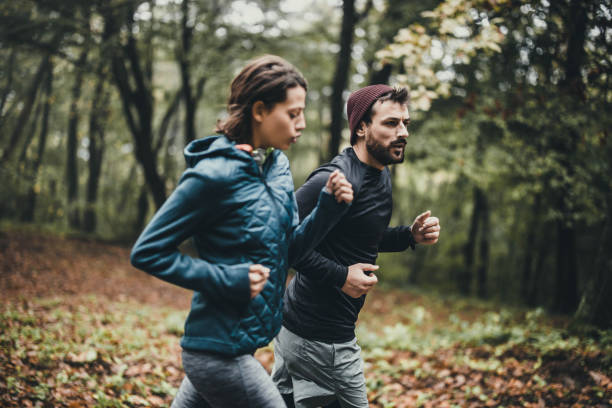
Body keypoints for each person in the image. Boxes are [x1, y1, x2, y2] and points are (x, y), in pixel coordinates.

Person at [130, 55, 354, 408]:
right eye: (293, 114)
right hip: (217, 351)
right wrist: (229, 278)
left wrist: (328, 209)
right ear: (260, 110)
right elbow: (148, 251)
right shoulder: (213, 175)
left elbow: (290, 251)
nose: (303, 123)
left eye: (302, 113)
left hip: (239, 343)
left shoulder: (277, 168)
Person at [272, 84, 441, 408]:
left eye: (405, 123)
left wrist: (409, 236)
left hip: (302, 326)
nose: (403, 132)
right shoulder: (335, 178)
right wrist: (340, 276)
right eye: (391, 123)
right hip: (320, 337)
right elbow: (282, 244)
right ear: (361, 127)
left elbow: (359, 236)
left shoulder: (379, 173)